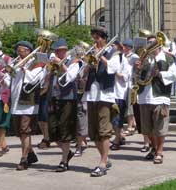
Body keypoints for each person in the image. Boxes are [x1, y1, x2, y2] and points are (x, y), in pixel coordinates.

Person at [82, 26, 120, 177]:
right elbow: (82, 75)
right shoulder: (91, 52)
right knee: (93, 132)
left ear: (104, 38)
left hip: (105, 95)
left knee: (104, 131)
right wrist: (88, 63)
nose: (95, 41)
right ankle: (106, 158)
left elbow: (113, 68)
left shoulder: (114, 53)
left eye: (97, 38)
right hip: (91, 95)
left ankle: (103, 163)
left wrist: (101, 56)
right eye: (93, 38)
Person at [135, 34, 176, 163]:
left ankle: (160, 151)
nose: (150, 45)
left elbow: (174, 75)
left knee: (160, 127)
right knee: (147, 128)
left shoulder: (168, 58)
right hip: (144, 96)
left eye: (153, 42)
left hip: (160, 96)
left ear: (159, 44)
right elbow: (137, 77)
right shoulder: (144, 58)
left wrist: (159, 74)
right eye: (149, 42)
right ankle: (153, 148)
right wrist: (137, 68)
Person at [45, 38, 80, 172]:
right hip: (53, 97)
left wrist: (60, 64)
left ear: (65, 51)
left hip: (67, 99)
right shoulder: (52, 62)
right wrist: (47, 69)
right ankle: (67, 152)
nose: (58, 53)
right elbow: (45, 79)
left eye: (60, 51)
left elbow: (71, 77)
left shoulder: (74, 62)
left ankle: (64, 160)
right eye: (56, 51)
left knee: (65, 130)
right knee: (52, 131)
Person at [10, 41, 42, 170]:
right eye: (18, 50)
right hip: (16, 100)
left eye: (21, 50)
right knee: (20, 132)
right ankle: (31, 153)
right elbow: (12, 81)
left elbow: (34, 79)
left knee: (25, 131)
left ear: (29, 51)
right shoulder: (15, 63)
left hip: (28, 103)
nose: (18, 53)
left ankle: (24, 159)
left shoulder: (37, 63)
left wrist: (24, 68)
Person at [110, 40, 132, 150]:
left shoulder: (124, 60)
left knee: (117, 118)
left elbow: (126, 76)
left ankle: (117, 139)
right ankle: (119, 136)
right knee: (113, 119)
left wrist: (116, 73)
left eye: (114, 47)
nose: (112, 49)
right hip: (110, 93)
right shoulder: (113, 59)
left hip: (119, 93)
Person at [122, 39, 139, 136]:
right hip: (124, 84)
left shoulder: (134, 56)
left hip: (131, 84)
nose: (123, 48)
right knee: (128, 105)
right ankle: (134, 124)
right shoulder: (124, 56)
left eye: (125, 46)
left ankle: (130, 126)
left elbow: (137, 70)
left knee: (129, 106)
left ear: (129, 47)